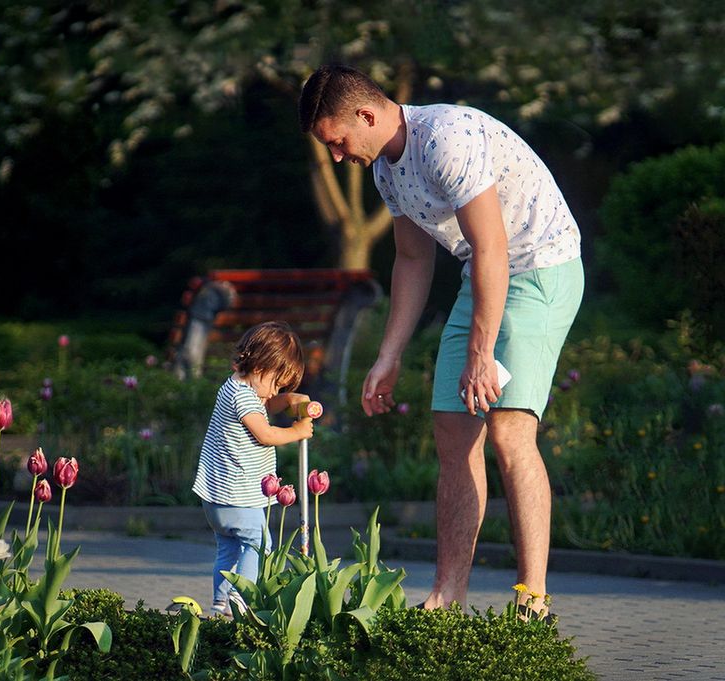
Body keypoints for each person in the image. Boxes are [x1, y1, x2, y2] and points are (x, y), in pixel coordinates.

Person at [299, 65, 584, 619]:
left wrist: (481, 354)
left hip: (539, 269)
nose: (336, 156)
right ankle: (447, 597)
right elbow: (411, 258)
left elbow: (494, 246)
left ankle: (533, 600)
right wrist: (388, 356)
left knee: (508, 428)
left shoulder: (445, 139)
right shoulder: (386, 171)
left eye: (337, 141)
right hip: (484, 275)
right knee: (453, 431)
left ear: (366, 115)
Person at [192, 321, 314, 616]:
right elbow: (265, 434)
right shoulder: (243, 397)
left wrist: (287, 400)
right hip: (238, 496)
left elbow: (266, 406)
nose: (274, 391)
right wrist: (297, 431)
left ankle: (220, 603)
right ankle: (240, 599)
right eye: (276, 383)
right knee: (259, 544)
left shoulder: (236, 387)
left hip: (217, 498)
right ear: (260, 365)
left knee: (229, 550)